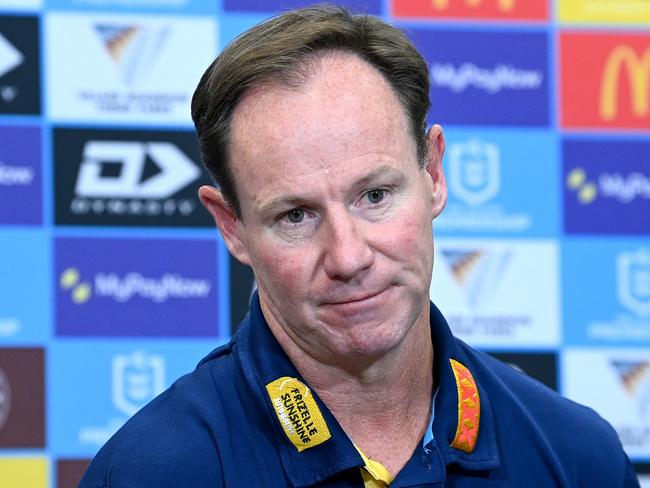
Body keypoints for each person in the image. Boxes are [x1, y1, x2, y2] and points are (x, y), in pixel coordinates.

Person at [80, 5, 639, 487]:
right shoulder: (149, 473)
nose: (348, 258)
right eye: (295, 215)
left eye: (374, 195)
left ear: (434, 173)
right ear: (233, 227)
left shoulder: (576, 457)